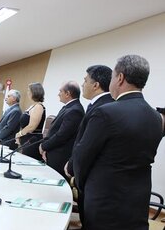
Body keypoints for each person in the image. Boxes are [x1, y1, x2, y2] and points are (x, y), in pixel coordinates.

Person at [73, 55, 163, 230]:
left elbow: (81, 158)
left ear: (120, 78)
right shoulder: (157, 117)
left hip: (104, 201)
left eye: (113, 76)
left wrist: (84, 186)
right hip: (138, 201)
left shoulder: (105, 113)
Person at [64, 65, 113, 227]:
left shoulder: (103, 107)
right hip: (88, 176)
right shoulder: (97, 104)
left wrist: (73, 169)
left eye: (85, 81)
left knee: (90, 221)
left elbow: (87, 146)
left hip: (92, 179)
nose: (83, 84)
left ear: (95, 85)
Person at [39, 81, 84, 179]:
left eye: (60, 91)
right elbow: (53, 131)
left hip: (59, 158)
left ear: (68, 94)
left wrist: (44, 146)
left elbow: (62, 135)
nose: (58, 94)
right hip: (52, 153)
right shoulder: (69, 107)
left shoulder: (75, 110)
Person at [15, 83, 46, 161]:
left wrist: (19, 134)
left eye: (29, 90)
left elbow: (32, 126)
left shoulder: (38, 107)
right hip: (26, 140)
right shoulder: (32, 106)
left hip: (32, 141)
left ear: (35, 92)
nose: (28, 92)